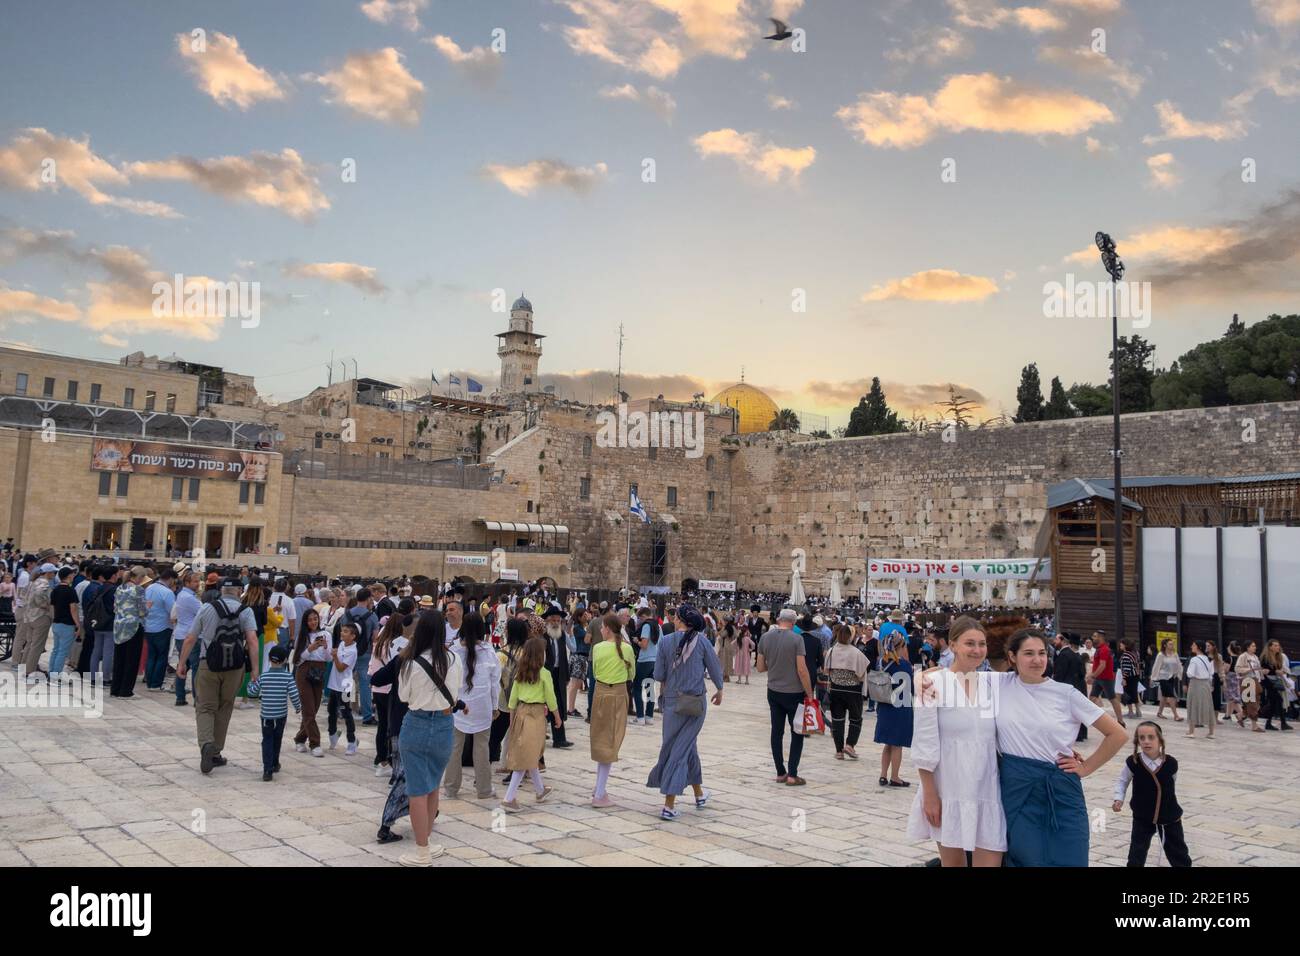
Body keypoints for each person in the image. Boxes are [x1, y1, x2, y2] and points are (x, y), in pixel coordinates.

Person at [996, 629, 1128, 866]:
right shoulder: (999, 685)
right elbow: (953, 677)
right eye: (1028, 654)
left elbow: (1117, 734)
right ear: (1012, 657)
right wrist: (926, 677)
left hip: (1060, 789)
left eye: (1041, 653)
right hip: (1017, 789)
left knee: (1069, 854)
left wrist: (1086, 767)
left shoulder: (1065, 693)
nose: (1037, 660)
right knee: (1025, 856)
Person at [908, 617, 1005, 866]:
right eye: (969, 643)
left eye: (981, 644)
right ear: (953, 645)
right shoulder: (933, 684)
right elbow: (924, 740)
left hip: (986, 787)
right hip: (948, 786)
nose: (977, 650)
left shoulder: (991, 683)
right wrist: (929, 794)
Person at [396, 610, 463, 865]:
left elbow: (404, 696)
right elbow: (455, 693)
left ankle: (422, 850)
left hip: (418, 724)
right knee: (433, 783)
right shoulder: (454, 659)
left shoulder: (410, 663)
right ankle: (428, 841)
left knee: (416, 789)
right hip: (445, 723)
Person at [645, 605, 724, 820]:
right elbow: (715, 668)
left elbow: (659, 673)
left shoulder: (665, 641)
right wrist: (720, 689)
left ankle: (699, 794)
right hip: (695, 704)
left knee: (680, 746)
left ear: (679, 620)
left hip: (672, 702)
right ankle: (669, 804)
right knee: (681, 748)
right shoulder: (702, 641)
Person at [176, 577, 260, 774]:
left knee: (205, 707)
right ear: (239, 591)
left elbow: (190, 638)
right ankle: (215, 752)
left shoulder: (206, 608)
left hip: (208, 664)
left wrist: (182, 663)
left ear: (222, 591)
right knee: (224, 707)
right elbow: (253, 640)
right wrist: (255, 670)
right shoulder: (246, 611)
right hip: (235, 667)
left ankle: (206, 744)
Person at [1112, 721, 1191, 867]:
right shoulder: (1133, 762)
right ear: (1137, 741)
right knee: (1137, 851)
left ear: (1160, 740)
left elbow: (1172, 783)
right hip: (1142, 815)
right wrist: (1119, 798)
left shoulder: (1171, 763)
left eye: (1151, 737)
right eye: (1142, 738)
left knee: (1177, 851)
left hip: (1169, 816)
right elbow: (1123, 781)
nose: (1146, 741)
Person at [444, 611, 500, 800]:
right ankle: (484, 789)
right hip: (483, 705)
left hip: (459, 705)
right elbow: (495, 682)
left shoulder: (453, 652)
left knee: (454, 747)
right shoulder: (489, 651)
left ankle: (451, 788)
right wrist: (495, 706)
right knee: (482, 747)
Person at [501, 636, 560, 813]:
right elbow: (551, 697)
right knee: (526, 756)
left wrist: (512, 720)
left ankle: (540, 790)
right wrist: (557, 717)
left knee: (530, 752)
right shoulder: (544, 674)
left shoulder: (520, 671)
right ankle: (509, 798)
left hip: (520, 712)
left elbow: (512, 698)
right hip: (535, 716)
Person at [757, 608, 815, 786]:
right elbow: (802, 670)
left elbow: (760, 667)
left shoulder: (766, 637)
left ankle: (780, 772)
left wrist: (774, 667)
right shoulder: (797, 639)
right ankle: (792, 774)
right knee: (797, 732)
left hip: (773, 691)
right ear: (793, 622)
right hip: (794, 692)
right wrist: (810, 694)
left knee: (777, 731)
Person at [590, 611, 637, 807]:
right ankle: (599, 793)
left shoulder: (598, 648)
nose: (600, 630)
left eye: (602, 627)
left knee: (601, 739)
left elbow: (594, 672)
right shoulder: (627, 649)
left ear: (607, 629)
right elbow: (631, 674)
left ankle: (599, 788)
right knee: (611, 741)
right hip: (618, 695)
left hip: (600, 694)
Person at [251, 644, 301, 782]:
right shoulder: (288, 677)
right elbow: (294, 694)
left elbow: (252, 692)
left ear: (269, 659)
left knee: (267, 740)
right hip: (280, 716)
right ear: (285, 660)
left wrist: (251, 683)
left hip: (266, 716)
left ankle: (267, 770)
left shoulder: (264, 676)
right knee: (277, 739)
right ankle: (275, 763)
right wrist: (298, 707)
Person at [874, 633, 914, 787]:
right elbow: (911, 687)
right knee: (897, 745)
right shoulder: (904, 665)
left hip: (885, 705)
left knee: (888, 744)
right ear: (899, 647)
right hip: (901, 706)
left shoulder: (881, 662)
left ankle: (883, 775)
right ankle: (895, 777)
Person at [824, 624, 867, 760]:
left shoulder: (831, 651)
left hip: (836, 689)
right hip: (852, 690)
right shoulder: (856, 652)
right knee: (855, 718)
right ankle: (850, 745)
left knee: (837, 720)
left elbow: (827, 670)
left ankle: (839, 751)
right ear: (850, 636)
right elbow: (861, 674)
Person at [292, 607, 331, 756]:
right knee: (308, 708)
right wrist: (310, 648)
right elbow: (297, 660)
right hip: (304, 671)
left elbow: (328, 658)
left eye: (315, 619)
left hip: (319, 670)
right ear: (305, 622)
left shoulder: (326, 634)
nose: (313, 622)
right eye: (310, 620)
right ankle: (315, 743)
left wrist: (326, 647)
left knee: (313, 708)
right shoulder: (302, 636)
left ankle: (300, 738)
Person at [110, 566, 148, 698]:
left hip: (119, 625)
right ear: (140, 577)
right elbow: (142, 611)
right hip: (133, 627)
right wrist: (148, 607)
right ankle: (126, 691)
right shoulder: (138, 589)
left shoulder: (120, 588)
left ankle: (115, 688)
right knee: (131, 660)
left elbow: (115, 607)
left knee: (119, 658)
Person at [541, 604, 573, 748]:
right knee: (544, 705)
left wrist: (566, 676)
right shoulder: (542, 636)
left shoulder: (560, 636)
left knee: (558, 706)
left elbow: (564, 657)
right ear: (547, 621)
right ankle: (540, 735)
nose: (555, 623)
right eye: (553, 620)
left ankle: (559, 739)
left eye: (558, 620)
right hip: (545, 674)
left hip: (558, 673)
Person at [327, 622, 360, 754]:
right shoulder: (341, 644)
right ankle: (333, 734)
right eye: (342, 631)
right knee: (331, 710)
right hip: (334, 683)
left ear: (353, 636)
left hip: (346, 685)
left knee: (346, 712)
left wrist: (335, 656)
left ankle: (352, 741)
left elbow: (341, 668)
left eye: (346, 631)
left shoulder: (353, 651)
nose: (342, 633)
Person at [142, 567, 176, 692]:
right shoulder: (167, 592)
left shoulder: (149, 588)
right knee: (161, 656)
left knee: (151, 655)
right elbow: (173, 612)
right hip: (163, 627)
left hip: (148, 627)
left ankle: (150, 681)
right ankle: (156, 683)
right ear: (171, 579)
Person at [171, 571, 203, 706]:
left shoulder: (182, 595)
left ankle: (180, 696)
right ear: (187, 583)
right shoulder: (189, 598)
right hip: (191, 636)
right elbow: (203, 612)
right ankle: (197, 698)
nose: (198, 584)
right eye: (195, 582)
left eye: (198, 581)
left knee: (183, 664)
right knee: (196, 667)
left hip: (181, 633)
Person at [1051, 633, 1089, 741]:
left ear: (1063, 641)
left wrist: (1055, 687)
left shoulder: (1064, 655)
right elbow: (1082, 672)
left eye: (1057, 639)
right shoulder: (1076, 654)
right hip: (1078, 685)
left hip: (1068, 686)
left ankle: (1076, 734)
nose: (1054, 641)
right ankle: (1082, 734)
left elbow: (1060, 674)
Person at [48, 567, 81, 680]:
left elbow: (51, 607)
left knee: (56, 650)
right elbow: (73, 609)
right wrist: (78, 624)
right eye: (72, 574)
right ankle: (55, 677)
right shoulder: (71, 591)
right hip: (67, 624)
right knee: (62, 652)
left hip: (56, 623)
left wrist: (54, 619)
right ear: (69, 576)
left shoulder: (55, 590)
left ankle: (51, 673)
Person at [1088, 630, 1125, 726]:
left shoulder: (1104, 649)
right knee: (1092, 697)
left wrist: (1093, 675)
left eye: (1095, 636)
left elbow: (1102, 665)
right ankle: (1089, 718)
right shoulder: (1099, 648)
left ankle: (1120, 721)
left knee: (1112, 698)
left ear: (1101, 637)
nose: (1093, 638)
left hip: (1106, 679)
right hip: (1099, 678)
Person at [1183, 641, 1215, 738]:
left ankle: (1191, 731)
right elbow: (1211, 673)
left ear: (1198, 647)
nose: (1191, 646)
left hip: (1195, 683)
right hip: (1206, 684)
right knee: (1208, 706)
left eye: (1193, 645)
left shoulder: (1194, 659)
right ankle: (1211, 732)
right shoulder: (1207, 659)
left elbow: (1190, 673)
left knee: (1192, 705)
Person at [1261, 639, 1293, 732]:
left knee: (1273, 702)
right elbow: (1265, 670)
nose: (1277, 647)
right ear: (1270, 647)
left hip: (1275, 681)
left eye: (1278, 645)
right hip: (1267, 681)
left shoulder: (1279, 657)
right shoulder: (1265, 657)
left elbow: (1277, 669)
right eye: (1275, 645)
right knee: (1278, 699)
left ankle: (1269, 723)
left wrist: (1282, 671)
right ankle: (1283, 723)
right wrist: (1275, 671)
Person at [1235, 641, 1264, 732]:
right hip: (1247, 681)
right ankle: (1254, 725)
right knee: (1252, 703)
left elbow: (1257, 669)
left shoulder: (1255, 657)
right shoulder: (1243, 656)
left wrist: (1262, 672)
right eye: (1253, 646)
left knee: (1256, 701)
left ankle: (1241, 715)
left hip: (1255, 680)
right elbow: (1238, 669)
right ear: (1247, 647)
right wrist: (1249, 669)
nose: (1255, 647)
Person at [1151, 639, 1184, 722]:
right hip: (1163, 677)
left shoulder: (1175, 654)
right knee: (1171, 695)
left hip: (1172, 677)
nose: (1172, 645)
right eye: (1170, 644)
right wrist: (1153, 677)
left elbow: (1179, 664)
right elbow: (1156, 666)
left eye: (1172, 644)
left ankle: (1159, 712)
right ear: (1165, 645)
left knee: (1164, 695)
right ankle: (1176, 715)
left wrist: (1180, 675)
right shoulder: (1161, 655)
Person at [1118, 639, 1142, 720]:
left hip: (1129, 677)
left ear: (1125, 645)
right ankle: (1138, 711)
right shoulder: (1134, 653)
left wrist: (1124, 678)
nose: (1120, 645)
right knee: (1134, 693)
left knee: (1128, 694)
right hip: (1135, 676)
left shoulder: (1125, 655)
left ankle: (1130, 711)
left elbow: (1126, 668)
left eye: (1121, 644)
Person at [733, 621, 753, 685]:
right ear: (745, 632)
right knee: (746, 666)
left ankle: (739, 680)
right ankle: (747, 680)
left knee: (739, 666)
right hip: (746, 654)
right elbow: (753, 644)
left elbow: (732, 643)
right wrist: (750, 649)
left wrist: (736, 649)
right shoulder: (747, 638)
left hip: (739, 654)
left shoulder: (738, 639)